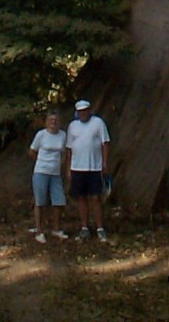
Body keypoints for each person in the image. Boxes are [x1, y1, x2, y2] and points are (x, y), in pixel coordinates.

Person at [66, 99, 111, 243]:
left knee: (96, 198)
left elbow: (105, 143)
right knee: (81, 198)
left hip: (94, 167)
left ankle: (100, 228)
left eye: (85, 110)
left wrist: (104, 163)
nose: (83, 113)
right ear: (77, 113)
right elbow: (69, 149)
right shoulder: (72, 126)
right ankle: (84, 227)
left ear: (89, 110)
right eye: (80, 111)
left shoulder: (98, 123)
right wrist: (68, 169)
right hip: (77, 168)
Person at [28, 110, 69, 244]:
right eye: (51, 120)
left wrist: (60, 164)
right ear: (46, 122)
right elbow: (32, 151)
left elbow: (65, 152)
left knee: (59, 201)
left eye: (55, 120)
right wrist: (41, 163)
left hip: (55, 173)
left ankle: (56, 229)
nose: (53, 122)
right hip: (41, 172)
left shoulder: (62, 135)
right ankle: (39, 231)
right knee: (40, 202)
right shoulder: (41, 135)